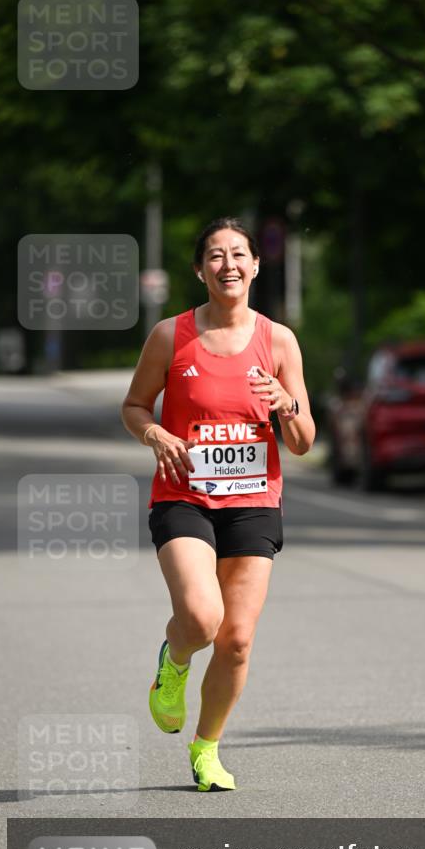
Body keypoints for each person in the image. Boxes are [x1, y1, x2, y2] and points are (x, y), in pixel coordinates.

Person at [121, 217, 315, 791]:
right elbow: (134, 406)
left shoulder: (278, 341)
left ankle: (206, 749)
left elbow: (303, 442)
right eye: (215, 255)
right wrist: (155, 433)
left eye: (238, 254)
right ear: (199, 270)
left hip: (254, 502)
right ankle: (175, 661)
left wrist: (286, 404)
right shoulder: (170, 336)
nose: (227, 264)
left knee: (235, 641)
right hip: (184, 495)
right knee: (203, 620)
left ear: (255, 266)